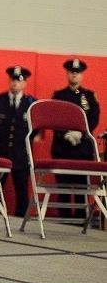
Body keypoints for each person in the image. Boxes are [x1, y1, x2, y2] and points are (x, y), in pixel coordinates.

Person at [51, 58, 100, 219]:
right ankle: (64, 219)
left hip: (81, 149)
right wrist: (65, 133)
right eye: (72, 72)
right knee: (63, 186)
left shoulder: (90, 96)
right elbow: (53, 117)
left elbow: (93, 118)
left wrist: (81, 133)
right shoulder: (59, 95)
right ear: (67, 74)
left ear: (82, 75)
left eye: (77, 72)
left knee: (80, 188)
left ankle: (80, 219)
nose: (74, 75)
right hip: (62, 148)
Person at [0, 66, 36, 217]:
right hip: (0, 152)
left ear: (24, 83)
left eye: (19, 81)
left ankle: (22, 218)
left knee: (21, 190)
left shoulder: (31, 103)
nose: (15, 84)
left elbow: (35, 128)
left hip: (21, 153)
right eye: (13, 80)